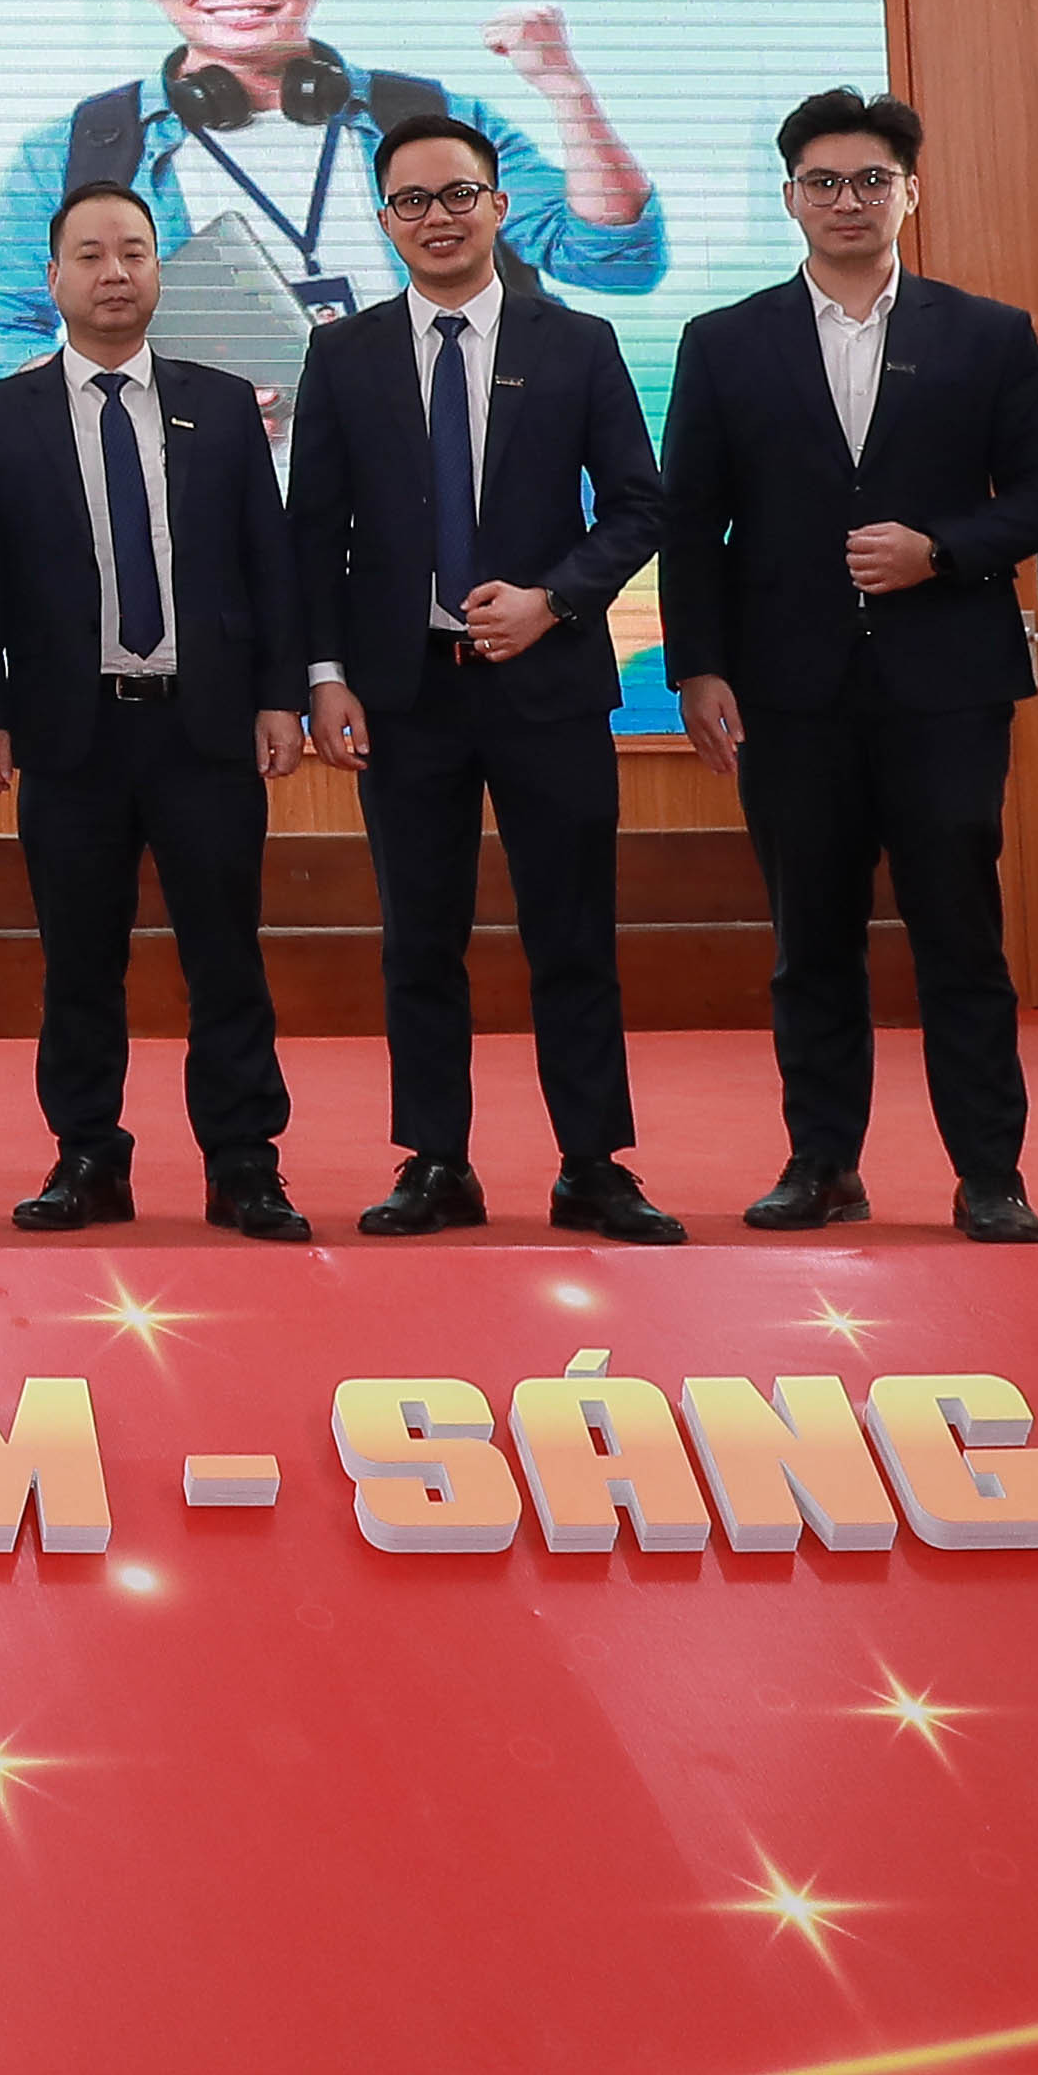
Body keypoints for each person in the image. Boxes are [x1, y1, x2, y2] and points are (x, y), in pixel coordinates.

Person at [658, 90, 1038, 1242]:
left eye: (870, 180)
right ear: (789, 195)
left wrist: (940, 549)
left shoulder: (984, 333)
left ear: (911, 191)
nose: (846, 200)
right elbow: (689, 520)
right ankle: (821, 1164)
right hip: (786, 690)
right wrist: (697, 666)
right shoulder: (723, 340)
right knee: (811, 940)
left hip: (945, 685)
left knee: (960, 936)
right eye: (822, 181)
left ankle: (989, 1174)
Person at [290, 118, 680, 1244]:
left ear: (500, 205)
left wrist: (554, 598)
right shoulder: (345, 354)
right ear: (384, 220)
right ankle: (435, 1162)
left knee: (573, 931)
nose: (438, 218)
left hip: (546, 683)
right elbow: (312, 530)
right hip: (403, 692)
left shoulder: (577, 341)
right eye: (411, 201)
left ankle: (593, 1164)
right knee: (419, 937)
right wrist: (324, 676)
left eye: (458, 194)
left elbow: (638, 506)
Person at [0, 0, 665, 386]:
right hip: (216, 502)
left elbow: (614, 263)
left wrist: (566, 88)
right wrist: (143, 393)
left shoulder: (433, 117)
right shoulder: (81, 150)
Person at [0, 182, 312, 1240]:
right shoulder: (0, 414)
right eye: (91, 254)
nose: (115, 273)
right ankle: (87, 1157)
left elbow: (268, 561)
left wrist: (279, 694)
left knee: (225, 955)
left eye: (135, 252)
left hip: (205, 726)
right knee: (78, 959)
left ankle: (243, 1163)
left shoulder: (223, 403)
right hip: (72, 730)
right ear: (53, 277)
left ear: (159, 270)